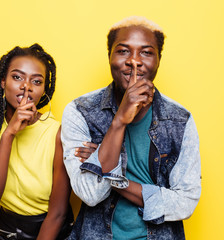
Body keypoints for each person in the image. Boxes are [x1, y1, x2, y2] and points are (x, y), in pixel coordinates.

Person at [61, 16, 201, 240]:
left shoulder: (179, 119)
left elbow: (186, 201)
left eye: (146, 52)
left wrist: (113, 177)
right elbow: (89, 193)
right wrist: (119, 121)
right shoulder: (80, 111)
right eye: (123, 51)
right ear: (110, 56)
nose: (134, 61)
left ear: (158, 60)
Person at [0, 44, 73, 240]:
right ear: (2, 81)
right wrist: (8, 134)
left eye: (36, 81)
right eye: (17, 77)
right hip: (9, 232)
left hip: (53, 232)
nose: (27, 86)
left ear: (44, 89)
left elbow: (57, 213)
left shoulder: (57, 133)